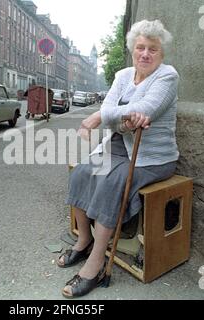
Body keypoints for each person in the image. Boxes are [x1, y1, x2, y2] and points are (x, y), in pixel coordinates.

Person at [58, 19, 180, 298]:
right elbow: (113, 109)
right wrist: (120, 121)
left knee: (111, 182)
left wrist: (101, 117)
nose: (145, 54)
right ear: (132, 50)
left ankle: (96, 261)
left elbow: (147, 108)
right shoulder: (123, 75)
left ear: (161, 54)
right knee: (81, 172)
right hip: (117, 146)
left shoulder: (167, 76)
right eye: (140, 47)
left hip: (152, 157)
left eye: (153, 49)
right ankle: (85, 239)